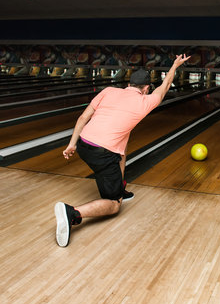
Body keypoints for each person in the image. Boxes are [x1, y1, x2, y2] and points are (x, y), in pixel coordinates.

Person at [55, 54, 190, 247]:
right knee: (113, 205)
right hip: (102, 153)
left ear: (129, 84)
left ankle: (120, 186)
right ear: (146, 89)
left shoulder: (108, 91)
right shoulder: (145, 102)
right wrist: (175, 65)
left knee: (123, 141)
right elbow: (165, 87)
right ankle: (73, 213)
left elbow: (82, 119)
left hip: (84, 144)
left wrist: (72, 144)